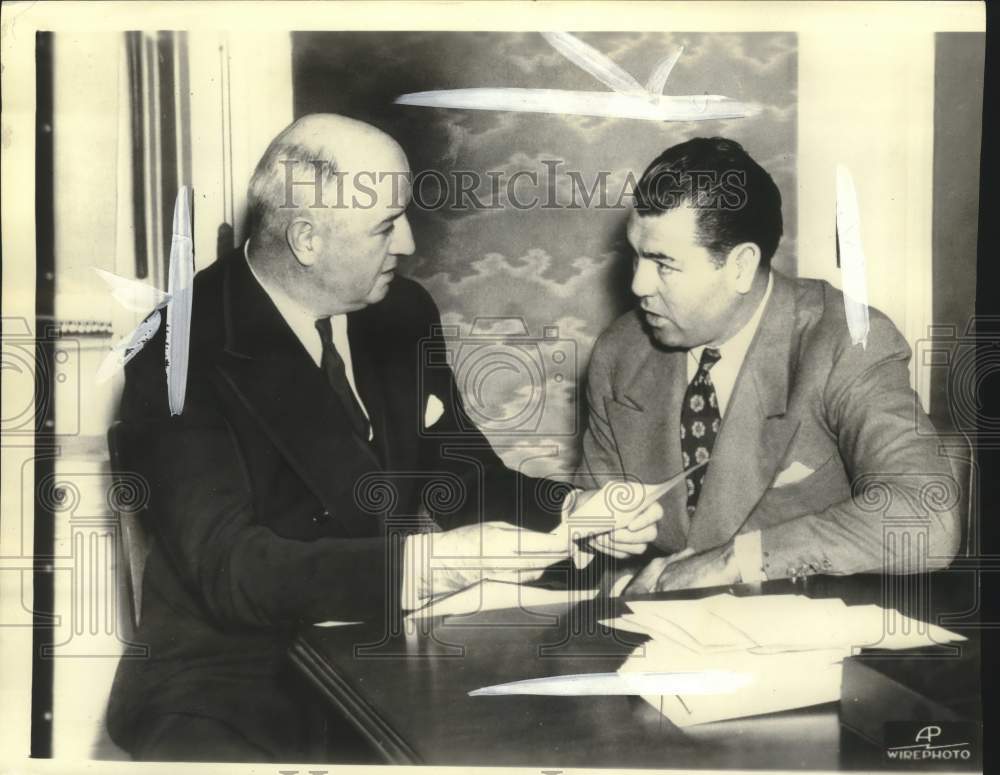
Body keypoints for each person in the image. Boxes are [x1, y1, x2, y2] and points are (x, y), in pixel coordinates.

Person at [105, 114, 661, 762]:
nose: (408, 241)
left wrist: (575, 512)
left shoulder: (401, 312)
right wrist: (427, 567)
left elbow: (464, 478)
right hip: (226, 684)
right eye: (385, 225)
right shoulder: (180, 347)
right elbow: (233, 566)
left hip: (376, 660)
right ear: (307, 237)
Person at [577, 136, 960, 596]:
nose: (638, 285)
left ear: (740, 266)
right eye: (637, 256)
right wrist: (594, 536)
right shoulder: (620, 354)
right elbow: (596, 549)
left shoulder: (846, 341)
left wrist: (734, 561)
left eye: (663, 264)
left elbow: (926, 519)